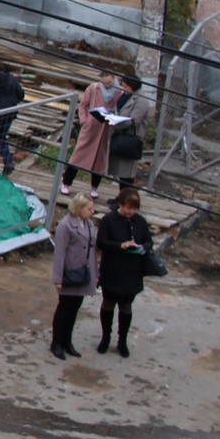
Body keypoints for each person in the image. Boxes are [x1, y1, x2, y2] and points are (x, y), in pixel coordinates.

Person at [95, 187, 153, 358]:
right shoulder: (109, 220)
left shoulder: (140, 221)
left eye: (134, 208)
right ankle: (105, 337)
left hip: (132, 270)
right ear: (120, 204)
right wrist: (120, 245)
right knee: (108, 302)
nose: (131, 212)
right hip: (113, 268)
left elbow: (149, 241)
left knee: (126, 306)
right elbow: (102, 242)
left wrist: (142, 247)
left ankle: (122, 341)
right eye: (128, 208)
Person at [49, 193, 98, 360]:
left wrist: (95, 274)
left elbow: (92, 252)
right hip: (69, 273)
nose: (92, 211)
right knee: (64, 309)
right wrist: (58, 278)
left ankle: (67, 341)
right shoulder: (66, 226)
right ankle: (56, 342)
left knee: (74, 308)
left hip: (83, 275)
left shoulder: (90, 225)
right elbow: (60, 253)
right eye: (89, 208)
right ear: (79, 208)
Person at [60, 70, 121, 198]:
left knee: (100, 159)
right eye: (105, 83)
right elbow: (83, 105)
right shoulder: (94, 88)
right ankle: (66, 183)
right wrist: (84, 121)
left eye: (110, 82)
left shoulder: (119, 91)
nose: (108, 85)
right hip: (91, 126)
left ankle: (94, 187)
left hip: (105, 128)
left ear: (114, 78)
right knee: (79, 155)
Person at [107, 74, 151, 193]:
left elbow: (134, 121)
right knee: (119, 171)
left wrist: (114, 122)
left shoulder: (141, 101)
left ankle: (124, 198)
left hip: (130, 139)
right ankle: (121, 197)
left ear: (132, 87)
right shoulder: (124, 96)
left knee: (126, 174)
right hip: (118, 136)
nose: (122, 88)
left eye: (125, 86)